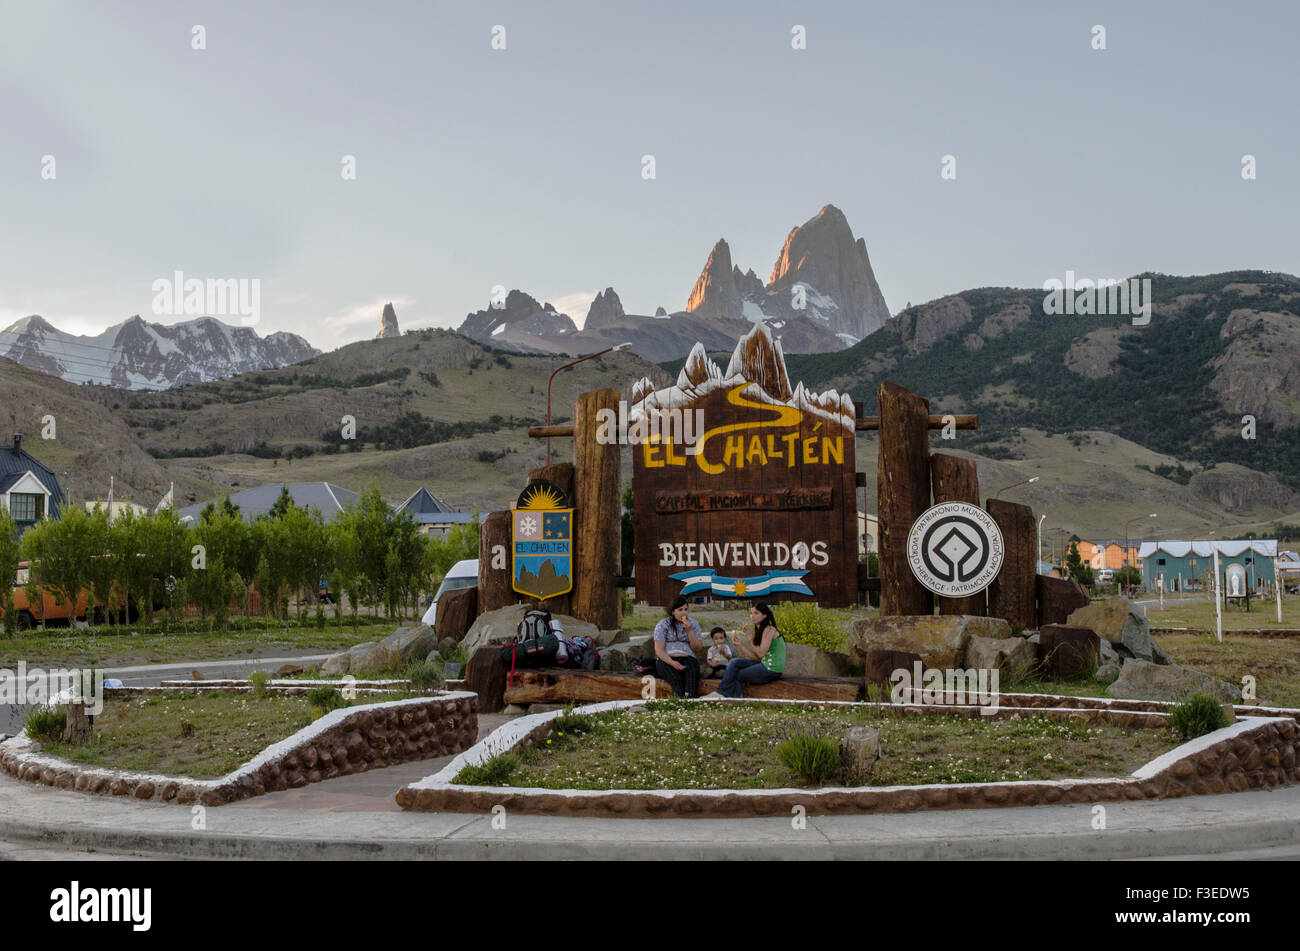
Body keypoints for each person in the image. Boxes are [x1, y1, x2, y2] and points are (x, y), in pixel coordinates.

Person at [713, 603, 785, 699]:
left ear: (764, 615)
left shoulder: (769, 629)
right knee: (734, 662)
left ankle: (734, 698)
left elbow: (761, 653)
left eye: (756, 613)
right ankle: (722, 693)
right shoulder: (761, 630)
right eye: (751, 613)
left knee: (736, 674)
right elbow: (756, 657)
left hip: (771, 669)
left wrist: (750, 637)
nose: (752, 616)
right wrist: (740, 645)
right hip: (764, 664)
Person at [653, 596, 704, 697]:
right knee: (675, 678)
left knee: (692, 675)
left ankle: (690, 701)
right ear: (673, 611)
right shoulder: (663, 625)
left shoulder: (693, 624)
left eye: (686, 609)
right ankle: (681, 703)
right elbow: (659, 650)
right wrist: (672, 663)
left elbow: (697, 648)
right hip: (666, 659)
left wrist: (689, 631)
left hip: (688, 657)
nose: (684, 613)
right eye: (680, 610)